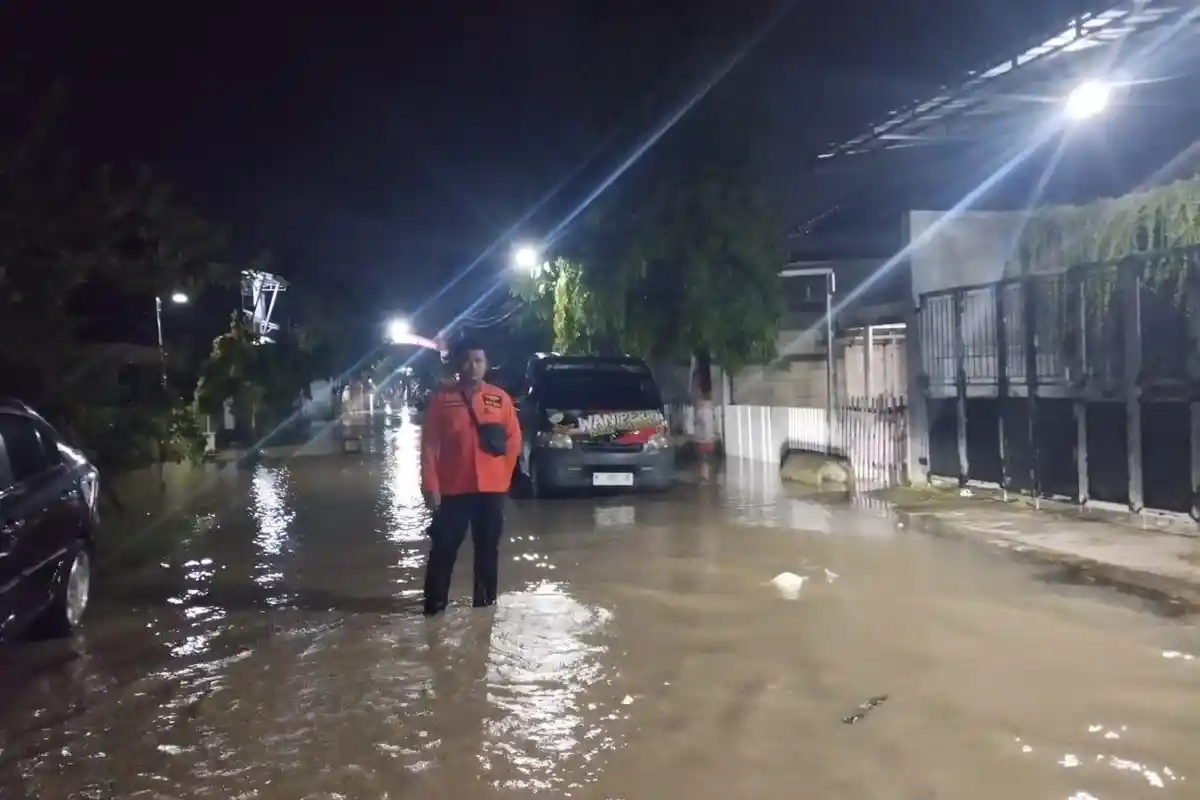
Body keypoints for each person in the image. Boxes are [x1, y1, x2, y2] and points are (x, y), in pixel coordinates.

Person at [420, 339, 521, 616]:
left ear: (486, 364)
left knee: (488, 551)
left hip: (492, 490)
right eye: (467, 360)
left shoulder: (500, 399)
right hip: (453, 490)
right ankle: (434, 608)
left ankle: (484, 609)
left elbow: (513, 440)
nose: (472, 366)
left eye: (478, 360)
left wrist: (504, 476)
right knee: (443, 550)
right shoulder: (442, 400)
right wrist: (431, 484)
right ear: (457, 364)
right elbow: (429, 445)